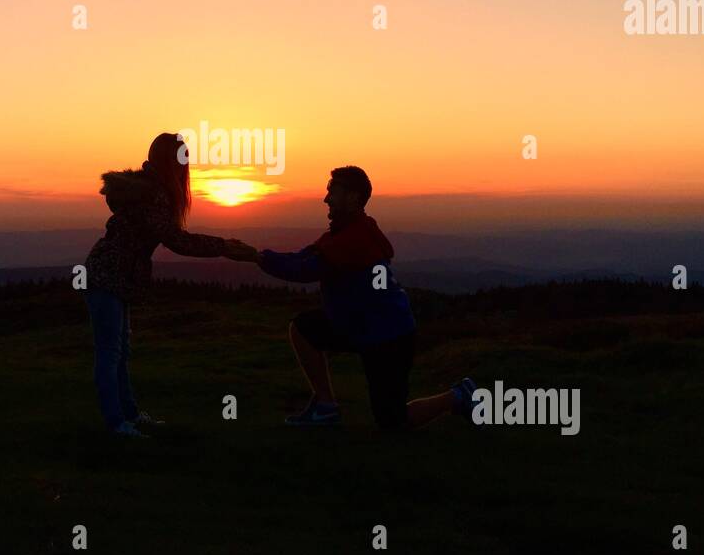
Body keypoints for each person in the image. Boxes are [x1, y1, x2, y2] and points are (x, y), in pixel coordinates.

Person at [224, 166, 478, 430]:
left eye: (333, 192)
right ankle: (325, 408)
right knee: (304, 327)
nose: (326, 199)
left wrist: (256, 258)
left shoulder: (354, 239)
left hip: (388, 336)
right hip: (359, 326)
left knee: (393, 422)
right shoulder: (348, 231)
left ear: (354, 197)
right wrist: (257, 254)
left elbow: (305, 270)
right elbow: (304, 256)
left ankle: (459, 395)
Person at [84, 132, 239, 437]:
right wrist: (223, 246)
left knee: (118, 351)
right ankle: (117, 423)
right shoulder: (154, 194)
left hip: (112, 274)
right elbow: (177, 240)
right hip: (108, 275)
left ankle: (128, 415)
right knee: (110, 352)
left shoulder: (145, 190)